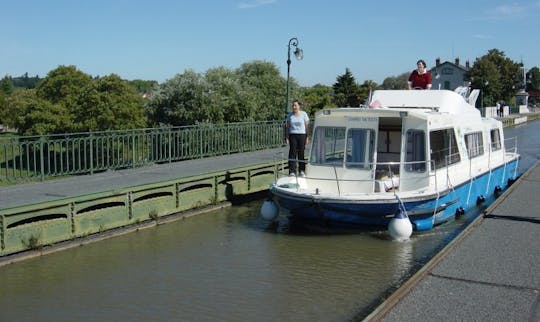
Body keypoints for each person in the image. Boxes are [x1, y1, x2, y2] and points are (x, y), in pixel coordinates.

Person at [285, 100, 309, 176]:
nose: (294, 107)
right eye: (293, 106)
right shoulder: (290, 115)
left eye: (295, 105)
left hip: (302, 135)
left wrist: (307, 137)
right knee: (292, 153)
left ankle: (301, 170)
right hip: (293, 135)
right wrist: (287, 137)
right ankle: (292, 171)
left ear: (299, 106)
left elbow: (307, 126)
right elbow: (287, 127)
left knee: (301, 153)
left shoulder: (304, 114)